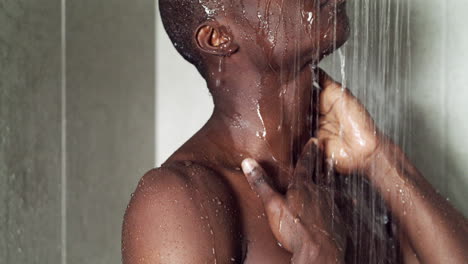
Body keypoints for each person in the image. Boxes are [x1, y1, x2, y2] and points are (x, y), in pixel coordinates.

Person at [122, 0, 468, 263]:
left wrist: (380, 158)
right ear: (218, 37)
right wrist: (317, 252)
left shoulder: (356, 179)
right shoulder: (177, 200)